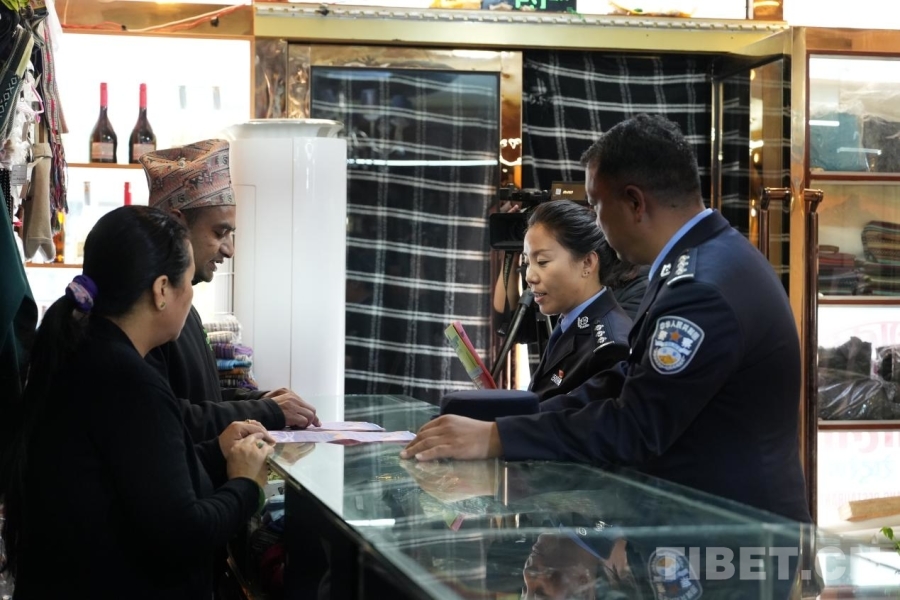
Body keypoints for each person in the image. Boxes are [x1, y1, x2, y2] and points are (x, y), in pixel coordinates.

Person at [402, 114, 811, 523]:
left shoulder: (699, 286)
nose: (597, 222)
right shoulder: (703, 260)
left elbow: (634, 426)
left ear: (634, 202)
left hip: (734, 534)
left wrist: (497, 437)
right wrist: (507, 422)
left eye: (596, 206)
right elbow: (624, 381)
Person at [1, 206, 274, 598]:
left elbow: (137, 473)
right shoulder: (128, 381)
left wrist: (216, 451)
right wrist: (246, 484)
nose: (190, 294)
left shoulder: (84, 354)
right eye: (187, 282)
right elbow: (184, 533)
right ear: (161, 290)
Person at [139, 139, 320, 439]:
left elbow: (201, 400)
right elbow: (165, 417)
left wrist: (261, 401)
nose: (229, 249)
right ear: (176, 223)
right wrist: (266, 410)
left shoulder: (183, 305)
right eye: (219, 232)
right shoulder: (145, 313)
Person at [521, 200, 632, 402]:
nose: (529, 276)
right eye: (527, 262)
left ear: (587, 263)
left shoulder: (610, 347)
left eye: (542, 262)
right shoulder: (569, 322)